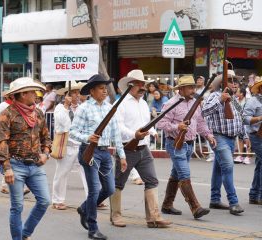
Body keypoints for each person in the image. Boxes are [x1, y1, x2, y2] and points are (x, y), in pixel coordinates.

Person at [110, 69, 171, 228]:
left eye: (143, 84)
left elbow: (145, 123)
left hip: (143, 148)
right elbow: (118, 127)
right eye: (139, 84)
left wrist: (152, 132)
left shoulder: (144, 103)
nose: (143, 87)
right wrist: (134, 134)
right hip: (126, 148)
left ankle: (153, 217)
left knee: (151, 180)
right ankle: (115, 215)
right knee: (118, 183)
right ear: (130, 86)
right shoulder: (120, 103)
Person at [69, 74, 127, 240]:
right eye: (101, 88)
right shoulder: (84, 108)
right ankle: (92, 228)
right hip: (89, 151)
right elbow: (73, 132)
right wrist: (87, 138)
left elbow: (116, 134)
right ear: (92, 91)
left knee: (109, 188)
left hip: (105, 152)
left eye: (105, 88)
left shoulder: (110, 108)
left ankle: (84, 208)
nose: (105, 91)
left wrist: (121, 155)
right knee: (94, 190)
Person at [0, 77, 51, 240]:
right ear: (21, 94)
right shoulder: (6, 115)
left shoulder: (38, 113)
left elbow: (46, 137)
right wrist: (7, 169)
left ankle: (25, 233)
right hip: (15, 165)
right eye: (31, 92)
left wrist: (46, 153)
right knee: (17, 207)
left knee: (44, 201)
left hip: (35, 165)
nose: (36, 94)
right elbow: (2, 143)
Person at [157, 76, 216, 219]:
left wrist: (208, 135)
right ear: (181, 89)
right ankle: (195, 207)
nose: (193, 90)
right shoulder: (171, 103)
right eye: (190, 87)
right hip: (175, 143)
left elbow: (200, 122)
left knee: (176, 174)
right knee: (184, 173)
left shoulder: (196, 102)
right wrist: (177, 126)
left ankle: (167, 205)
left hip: (189, 144)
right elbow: (160, 124)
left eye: (194, 87)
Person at [202, 70, 249, 216]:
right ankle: (233, 202)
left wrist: (244, 135)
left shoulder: (234, 99)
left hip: (231, 138)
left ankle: (215, 199)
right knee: (228, 166)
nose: (235, 83)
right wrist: (220, 100)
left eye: (236, 81)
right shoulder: (214, 96)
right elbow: (204, 112)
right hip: (218, 137)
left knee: (218, 168)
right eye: (231, 80)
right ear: (222, 83)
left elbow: (239, 119)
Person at [51, 80, 88, 210]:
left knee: (88, 172)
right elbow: (64, 125)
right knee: (61, 173)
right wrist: (66, 107)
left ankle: (93, 198)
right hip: (67, 146)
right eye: (74, 93)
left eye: (78, 92)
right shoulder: (60, 108)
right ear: (67, 95)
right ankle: (57, 200)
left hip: (82, 146)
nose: (77, 95)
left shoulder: (83, 107)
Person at [243, 77, 262, 205]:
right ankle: (259, 195)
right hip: (256, 135)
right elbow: (245, 119)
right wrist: (260, 118)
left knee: (260, 165)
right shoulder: (252, 101)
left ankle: (254, 195)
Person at [234, 86, 251, 164]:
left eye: (237, 91)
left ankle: (248, 156)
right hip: (238, 122)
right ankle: (240, 155)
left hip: (246, 122)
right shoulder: (235, 101)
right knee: (240, 139)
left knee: (247, 139)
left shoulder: (248, 101)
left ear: (241, 93)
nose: (236, 93)